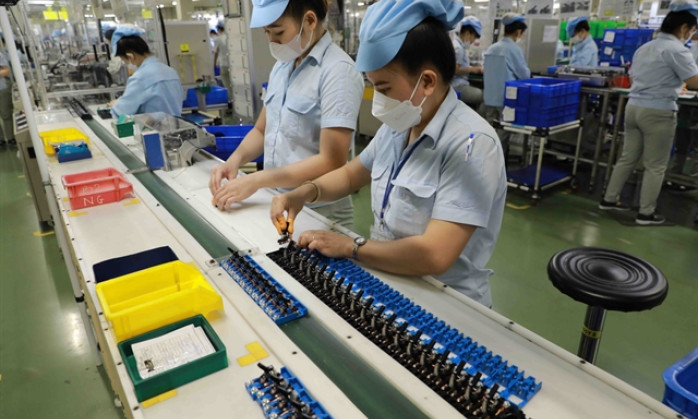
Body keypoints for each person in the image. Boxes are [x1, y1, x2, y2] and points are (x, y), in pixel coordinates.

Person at [270, 0, 507, 307]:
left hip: (446, 303)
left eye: (383, 89)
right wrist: (304, 193)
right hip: (391, 283)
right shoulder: (400, 126)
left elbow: (435, 254)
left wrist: (350, 246)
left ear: (427, 81)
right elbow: (351, 174)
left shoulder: (472, 145)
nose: (378, 101)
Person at [208, 0, 363, 230]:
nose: (272, 41)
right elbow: (262, 130)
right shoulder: (282, 66)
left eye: (278, 32)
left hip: (319, 211)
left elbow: (332, 161)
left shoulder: (338, 71)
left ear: (309, 21)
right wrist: (234, 160)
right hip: (277, 201)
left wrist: (256, 180)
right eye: (267, 32)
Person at [600, 0, 698, 225]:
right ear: (684, 28)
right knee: (656, 165)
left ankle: (609, 199)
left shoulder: (645, 47)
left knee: (627, 158)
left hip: (633, 107)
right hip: (658, 111)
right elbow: (694, 82)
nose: (691, 35)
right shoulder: (677, 50)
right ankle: (646, 213)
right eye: (692, 30)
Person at [483, 13, 531, 156]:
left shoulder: (492, 48)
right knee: (502, 134)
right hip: (506, 100)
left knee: (489, 133)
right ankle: (496, 164)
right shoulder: (513, 49)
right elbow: (524, 75)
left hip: (489, 98)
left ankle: (484, 162)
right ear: (518, 32)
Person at [108, 36, 183, 117]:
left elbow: (122, 111)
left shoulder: (140, 78)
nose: (128, 65)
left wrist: (115, 106)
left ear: (130, 56)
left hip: (154, 124)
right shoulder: (171, 71)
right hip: (175, 122)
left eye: (125, 61)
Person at [451, 16, 483, 110]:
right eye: (474, 37)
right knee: (484, 97)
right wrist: (473, 69)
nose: (473, 41)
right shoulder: (458, 48)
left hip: (454, 84)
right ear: (468, 34)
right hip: (457, 86)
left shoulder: (456, 44)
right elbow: (455, 70)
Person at [0, 49, 15, 146]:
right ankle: (0, 140)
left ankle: (11, 138)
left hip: (1, 88)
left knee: (6, 114)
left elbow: (6, 70)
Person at [213, 23, 232, 95]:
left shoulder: (218, 39)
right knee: (233, 83)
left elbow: (215, 53)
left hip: (224, 64)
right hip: (232, 64)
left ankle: (231, 98)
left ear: (218, 29)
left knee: (227, 84)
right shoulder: (229, 37)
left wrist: (214, 64)